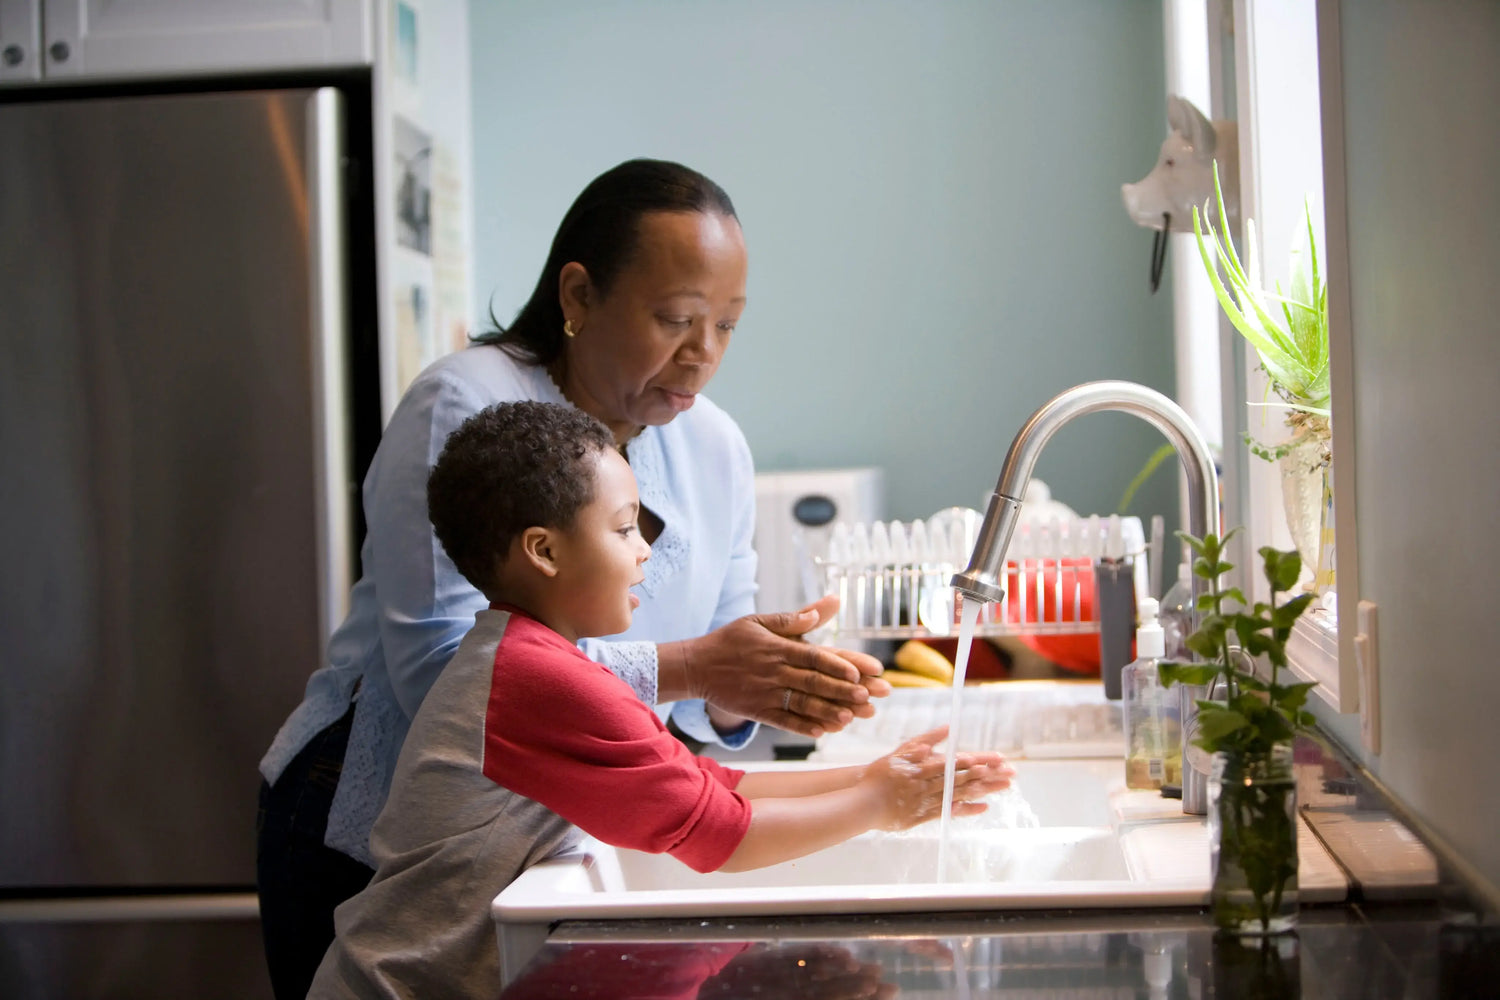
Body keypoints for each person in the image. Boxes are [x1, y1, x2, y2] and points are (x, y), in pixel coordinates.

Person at [256, 158, 891, 999]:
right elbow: (445, 678)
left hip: (549, 837)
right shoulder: (466, 404)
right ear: (580, 295)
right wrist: (697, 664)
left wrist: (769, 682)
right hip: (367, 823)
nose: (702, 355)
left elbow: (708, 704)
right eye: (675, 318)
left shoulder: (716, 447)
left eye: (728, 326)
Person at [306, 401, 1012, 998]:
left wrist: (871, 776)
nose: (644, 549)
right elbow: (724, 837)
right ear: (544, 552)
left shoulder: (533, 658)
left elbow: (713, 782)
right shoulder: (536, 679)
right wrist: (883, 804)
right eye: (622, 528)